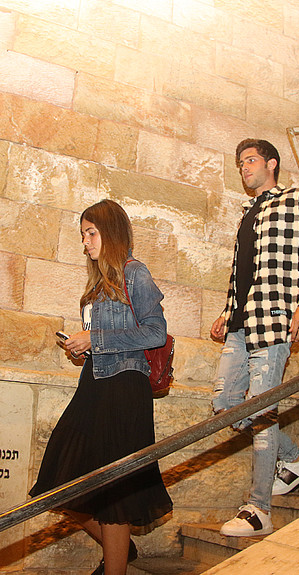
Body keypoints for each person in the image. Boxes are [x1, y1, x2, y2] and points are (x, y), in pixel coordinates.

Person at [30, 199, 173, 575]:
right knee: (60, 484)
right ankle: (121, 551)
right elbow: (104, 341)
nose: (85, 243)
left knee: (114, 491)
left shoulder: (135, 272)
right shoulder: (97, 285)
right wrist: (82, 349)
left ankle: (116, 565)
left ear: (110, 233)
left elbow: (155, 332)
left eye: (91, 233)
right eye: (82, 235)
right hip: (94, 386)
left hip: (124, 388)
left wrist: (95, 339)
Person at [211, 139, 299, 537]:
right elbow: (241, 273)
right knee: (225, 404)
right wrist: (227, 311)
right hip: (240, 323)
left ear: (271, 163)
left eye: (251, 160)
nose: (244, 167)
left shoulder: (296, 199)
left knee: (262, 411)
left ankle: (259, 509)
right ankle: (294, 458)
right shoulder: (248, 213)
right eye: (240, 163)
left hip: (276, 321)